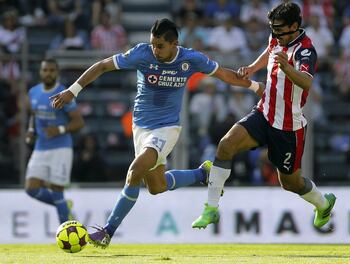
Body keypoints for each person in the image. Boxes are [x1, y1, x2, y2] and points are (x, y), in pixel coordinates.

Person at [50, 18, 263, 248]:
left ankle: (107, 231)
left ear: (174, 44)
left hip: (166, 128)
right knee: (157, 186)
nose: (155, 49)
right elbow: (102, 66)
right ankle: (203, 174)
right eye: (152, 44)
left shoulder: (190, 59)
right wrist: (73, 91)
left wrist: (257, 88)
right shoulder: (142, 53)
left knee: (135, 170)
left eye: (159, 45)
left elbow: (225, 75)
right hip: (140, 127)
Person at [192, 2, 336, 230]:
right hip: (264, 112)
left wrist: (288, 68)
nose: (276, 35)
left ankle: (323, 203)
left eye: (280, 30)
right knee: (225, 145)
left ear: (295, 25)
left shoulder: (305, 50)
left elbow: (307, 81)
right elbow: (270, 50)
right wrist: (251, 67)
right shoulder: (278, 37)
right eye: (273, 30)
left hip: (289, 127)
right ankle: (211, 209)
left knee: (290, 183)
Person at [25, 58, 85, 224]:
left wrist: (59, 129)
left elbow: (79, 122)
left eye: (52, 70)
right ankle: (64, 206)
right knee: (31, 189)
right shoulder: (33, 92)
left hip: (61, 147)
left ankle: (65, 230)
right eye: (45, 70)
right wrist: (31, 130)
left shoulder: (63, 94)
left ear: (57, 73)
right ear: (40, 72)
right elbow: (34, 114)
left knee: (56, 189)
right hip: (40, 147)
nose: (48, 73)